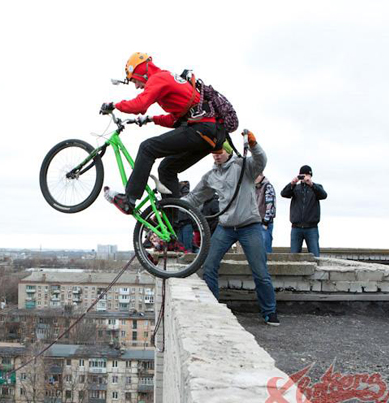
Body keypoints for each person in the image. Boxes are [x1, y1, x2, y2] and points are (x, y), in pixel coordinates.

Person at [100, 52, 226, 214]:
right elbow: (175, 121)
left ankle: (129, 199)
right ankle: (173, 227)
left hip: (201, 130)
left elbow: (140, 105)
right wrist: (151, 119)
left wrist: (114, 105)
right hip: (209, 135)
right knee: (166, 169)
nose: (137, 86)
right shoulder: (167, 79)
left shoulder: (158, 78)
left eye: (135, 81)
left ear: (140, 71)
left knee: (147, 147)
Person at [183, 131, 279, 325]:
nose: (217, 155)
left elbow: (261, 161)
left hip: (249, 226)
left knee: (260, 271)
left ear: (227, 150)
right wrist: (173, 205)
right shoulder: (211, 176)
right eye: (214, 152)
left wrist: (254, 145)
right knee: (209, 265)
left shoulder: (244, 166)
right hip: (225, 227)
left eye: (220, 151)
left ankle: (270, 311)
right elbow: (194, 197)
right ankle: (213, 308)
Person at [280, 165, 327, 257]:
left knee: (315, 256)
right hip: (296, 228)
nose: (305, 177)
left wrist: (311, 184)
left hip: (311, 228)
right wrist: (292, 183)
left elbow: (324, 195)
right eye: (303, 175)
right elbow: (283, 193)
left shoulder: (316, 187)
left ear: (310, 175)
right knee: (293, 257)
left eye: (307, 175)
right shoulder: (295, 188)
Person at [254, 173, 276, 252]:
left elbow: (270, 205)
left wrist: (265, 222)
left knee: (265, 251)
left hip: (264, 224)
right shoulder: (254, 187)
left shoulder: (267, 186)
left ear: (260, 175)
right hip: (255, 222)